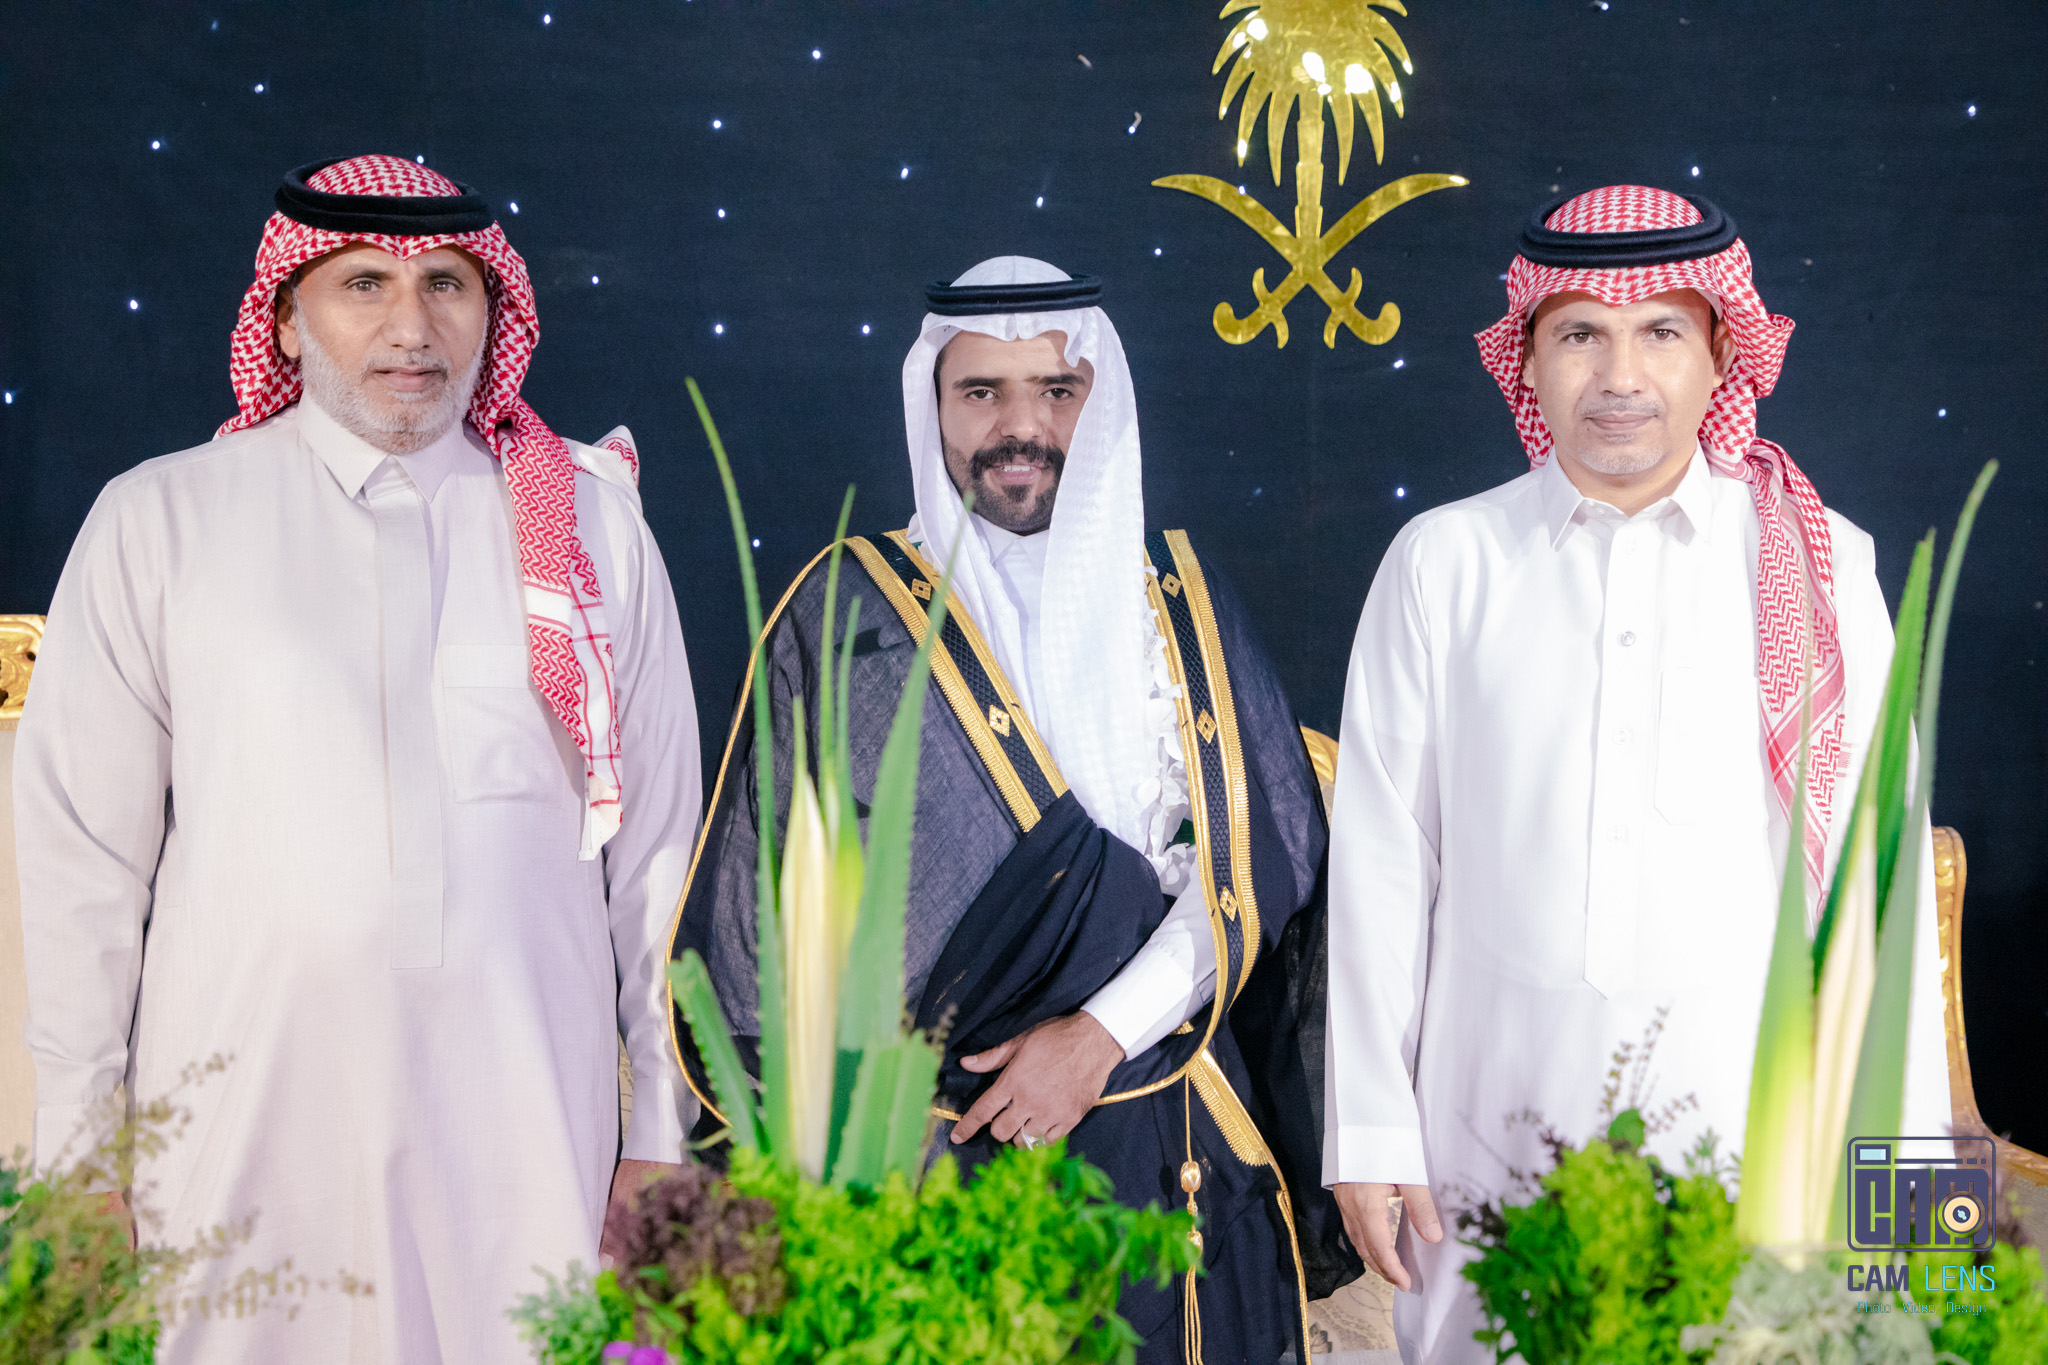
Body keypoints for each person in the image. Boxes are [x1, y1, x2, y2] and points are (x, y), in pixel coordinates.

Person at [14, 155, 701, 1363]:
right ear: (286, 315)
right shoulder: (161, 520)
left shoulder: (591, 523)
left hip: (529, 1128)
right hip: (241, 1125)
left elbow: (659, 863)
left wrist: (659, 1136)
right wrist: (78, 1162)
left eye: (446, 284)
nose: (411, 327)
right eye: (364, 283)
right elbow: (83, 874)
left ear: (493, 308)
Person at [673, 257, 1354, 1362]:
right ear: (931, 405)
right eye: (980, 391)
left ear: (1100, 402)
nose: (1019, 426)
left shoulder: (1179, 607)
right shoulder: (845, 614)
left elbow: (1249, 873)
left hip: (1154, 1124)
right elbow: (768, 928)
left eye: (1056, 391)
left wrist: (1094, 1039)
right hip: (917, 1160)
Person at [1322, 185, 1951, 1361]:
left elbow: (1883, 894)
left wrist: (1909, 1222)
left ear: (1720, 357)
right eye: (1579, 335)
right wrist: (1367, 1131)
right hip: (1483, 1135)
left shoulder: (1817, 567)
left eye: (1659, 332)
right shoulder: (1444, 562)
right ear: (1526, 358)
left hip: (1753, 1149)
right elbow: (1378, 867)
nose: (1618, 376)